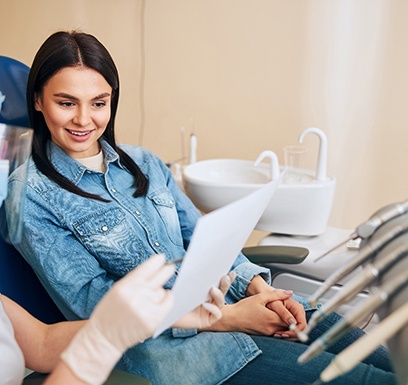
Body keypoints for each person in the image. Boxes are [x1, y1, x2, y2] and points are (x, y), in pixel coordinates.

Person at [5, 30, 396, 385]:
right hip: (182, 354)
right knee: (367, 380)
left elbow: (207, 241)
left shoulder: (143, 162)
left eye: (99, 103)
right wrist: (230, 319)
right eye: (66, 102)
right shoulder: (30, 195)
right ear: (38, 100)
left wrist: (261, 291)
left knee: (390, 362)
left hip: (236, 307)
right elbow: (98, 307)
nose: (84, 119)